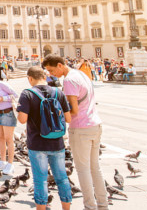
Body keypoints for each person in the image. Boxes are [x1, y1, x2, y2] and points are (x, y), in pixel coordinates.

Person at [43, 54, 108, 210]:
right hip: (94, 124)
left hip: (81, 128)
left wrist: (58, 114)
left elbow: (73, 110)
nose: (51, 74)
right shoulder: (80, 74)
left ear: (60, 65)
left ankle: (89, 206)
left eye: (52, 70)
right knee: (95, 168)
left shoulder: (69, 80)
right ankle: (103, 204)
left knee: (83, 170)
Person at [17, 66, 73, 210]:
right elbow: (68, 118)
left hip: (37, 143)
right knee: (62, 178)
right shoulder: (58, 92)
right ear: (45, 77)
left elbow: (22, 120)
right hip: (57, 142)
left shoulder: (27, 93)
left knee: (40, 180)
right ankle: (66, 207)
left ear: (30, 78)